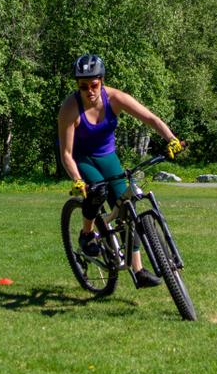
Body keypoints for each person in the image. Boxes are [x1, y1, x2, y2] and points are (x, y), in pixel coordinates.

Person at [57, 53, 184, 288]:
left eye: (94, 84)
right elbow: (66, 153)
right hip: (82, 158)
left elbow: (150, 118)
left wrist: (171, 139)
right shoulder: (69, 108)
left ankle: (138, 269)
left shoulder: (115, 98)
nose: (89, 90)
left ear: (101, 81)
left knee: (127, 206)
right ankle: (86, 234)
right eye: (83, 86)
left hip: (108, 157)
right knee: (98, 191)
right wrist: (76, 179)